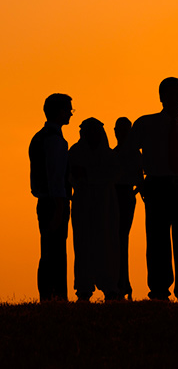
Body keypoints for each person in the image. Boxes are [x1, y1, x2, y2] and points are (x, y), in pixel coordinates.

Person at [128, 77, 178, 301]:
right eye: (170, 95)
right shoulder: (145, 124)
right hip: (158, 185)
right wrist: (140, 183)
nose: (176, 100)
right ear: (161, 97)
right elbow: (130, 153)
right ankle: (159, 290)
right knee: (158, 241)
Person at [68, 118, 121, 301]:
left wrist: (89, 176)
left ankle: (109, 286)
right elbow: (73, 176)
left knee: (107, 244)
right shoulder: (75, 152)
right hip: (83, 205)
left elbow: (112, 175)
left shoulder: (108, 155)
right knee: (83, 245)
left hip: (106, 206)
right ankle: (84, 287)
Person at [30, 93, 73, 301]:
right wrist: (59, 207)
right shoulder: (54, 140)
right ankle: (55, 295)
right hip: (54, 202)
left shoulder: (40, 137)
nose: (71, 114)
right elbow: (55, 177)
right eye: (68, 109)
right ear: (60, 111)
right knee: (54, 251)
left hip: (46, 201)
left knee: (49, 249)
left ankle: (49, 295)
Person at [113, 117, 141, 300]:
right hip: (116, 196)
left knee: (121, 239)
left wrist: (132, 193)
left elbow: (140, 177)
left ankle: (123, 283)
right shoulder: (113, 152)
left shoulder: (132, 154)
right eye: (119, 129)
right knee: (117, 240)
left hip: (125, 195)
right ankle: (120, 283)